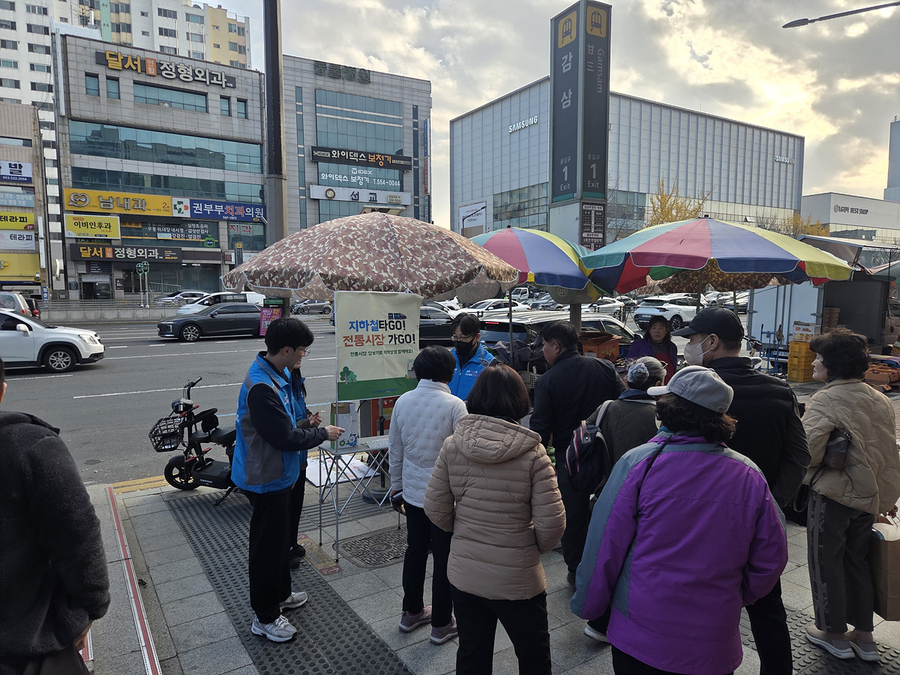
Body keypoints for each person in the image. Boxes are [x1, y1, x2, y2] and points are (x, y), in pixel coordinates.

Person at [572, 366, 788, 675]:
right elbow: (772, 556)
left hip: (640, 634)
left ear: (669, 410)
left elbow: (604, 546)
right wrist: (741, 595)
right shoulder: (749, 474)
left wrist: (587, 605)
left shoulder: (639, 463)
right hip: (714, 640)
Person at [674, 307, 810, 675]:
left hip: (700, 522)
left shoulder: (692, 389)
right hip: (760, 523)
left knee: (701, 606)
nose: (688, 347)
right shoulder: (780, 389)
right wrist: (772, 505)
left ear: (712, 342)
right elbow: (800, 456)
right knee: (768, 609)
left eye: (691, 340)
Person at [425, 365, 565, 675]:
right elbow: (552, 524)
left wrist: (461, 529)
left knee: (472, 653)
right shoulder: (533, 454)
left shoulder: (453, 445)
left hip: (465, 573)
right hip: (518, 577)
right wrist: (531, 547)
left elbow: (435, 507)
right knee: (533, 655)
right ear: (519, 400)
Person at [232, 317, 344, 643]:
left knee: (281, 543)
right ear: (285, 349)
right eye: (301, 351)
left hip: (281, 474)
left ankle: (280, 596)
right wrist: (321, 433)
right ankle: (265, 617)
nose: (302, 357)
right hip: (266, 478)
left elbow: (281, 425)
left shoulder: (276, 374)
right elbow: (281, 437)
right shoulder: (262, 386)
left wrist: (304, 421)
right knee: (267, 550)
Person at [0, 357, 110, 674]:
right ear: (2, 390)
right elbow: (78, 536)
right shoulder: (30, 446)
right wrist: (89, 609)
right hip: (28, 647)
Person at [802, 328, 900, 662]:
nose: (815, 363)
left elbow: (809, 453)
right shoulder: (880, 398)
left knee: (824, 560)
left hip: (834, 494)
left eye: (819, 357)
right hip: (870, 497)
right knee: (857, 562)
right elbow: (887, 453)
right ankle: (865, 636)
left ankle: (833, 635)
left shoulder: (826, 398)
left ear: (832, 364)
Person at [529, 320, 625, 586]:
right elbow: (624, 401)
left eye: (543, 345)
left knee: (573, 517)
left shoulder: (547, 382)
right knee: (609, 511)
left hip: (570, 459)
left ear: (556, 346)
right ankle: (609, 565)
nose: (542, 351)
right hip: (607, 453)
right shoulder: (605, 368)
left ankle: (575, 569)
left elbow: (540, 429)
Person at [388, 346, 467, 645]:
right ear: (450, 372)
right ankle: (441, 623)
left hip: (411, 490)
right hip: (444, 495)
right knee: (444, 555)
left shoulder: (402, 401)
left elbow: (395, 449)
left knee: (415, 550)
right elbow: (461, 457)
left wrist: (396, 487)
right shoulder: (455, 405)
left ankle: (411, 612)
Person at [586, 356, 665, 466]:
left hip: (609, 480)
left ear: (627, 381)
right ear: (658, 385)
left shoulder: (606, 408)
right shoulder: (662, 415)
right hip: (647, 479)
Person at [287, 351, 323, 569]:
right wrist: (306, 425)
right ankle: (284, 550)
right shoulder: (278, 385)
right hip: (287, 458)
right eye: (298, 349)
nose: (302, 355)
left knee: (295, 507)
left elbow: (299, 412)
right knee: (286, 509)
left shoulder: (296, 379)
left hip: (299, 457)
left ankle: (291, 542)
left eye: (304, 350)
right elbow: (287, 428)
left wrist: (309, 419)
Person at [448, 313, 495, 400]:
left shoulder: (489, 364)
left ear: (477, 337)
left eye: (463, 337)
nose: (459, 341)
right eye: (455, 337)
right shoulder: (448, 359)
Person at [627, 316, 677, 383]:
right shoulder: (638, 345)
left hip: (669, 384)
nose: (657, 331)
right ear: (649, 330)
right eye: (653, 328)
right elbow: (630, 366)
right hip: (646, 385)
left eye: (661, 328)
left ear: (666, 331)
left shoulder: (672, 347)